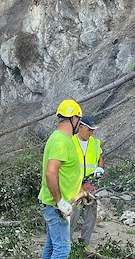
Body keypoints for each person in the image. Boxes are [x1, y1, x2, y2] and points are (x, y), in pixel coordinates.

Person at [38, 99, 83, 259]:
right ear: (75, 119)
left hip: (53, 205)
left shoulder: (61, 138)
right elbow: (51, 173)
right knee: (62, 250)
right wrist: (60, 202)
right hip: (55, 206)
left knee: (51, 248)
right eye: (79, 120)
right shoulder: (61, 141)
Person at [70, 116, 105, 246]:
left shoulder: (95, 143)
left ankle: (83, 244)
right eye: (89, 130)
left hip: (91, 186)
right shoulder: (71, 142)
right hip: (75, 188)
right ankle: (65, 244)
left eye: (93, 131)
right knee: (72, 216)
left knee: (90, 217)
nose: (91, 133)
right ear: (81, 127)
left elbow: (100, 159)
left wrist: (99, 169)